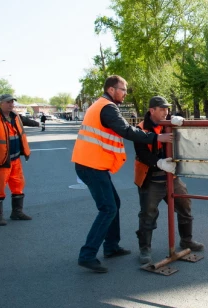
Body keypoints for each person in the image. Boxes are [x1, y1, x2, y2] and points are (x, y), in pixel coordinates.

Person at [71, 75, 173, 273]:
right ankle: (87, 255)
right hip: (91, 165)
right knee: (108, 208)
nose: (125, 93)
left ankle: (111, 247)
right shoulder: (107, 107)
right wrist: (156, 137)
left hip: (93, 164)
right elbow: (126, 130)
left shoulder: (102, 105)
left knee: (113, 204)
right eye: (123, 89)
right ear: (111, 89)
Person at [133, 96, 203, 265]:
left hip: (171, 176)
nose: (166, 112)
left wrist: (182, 124)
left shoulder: (171, 124)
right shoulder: (141, 129)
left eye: (167, 109)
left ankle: (186, 240)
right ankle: (145, 249)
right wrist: (158, 162)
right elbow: (142, 154)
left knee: (185, 205)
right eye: (162, 109)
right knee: (148, 214)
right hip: (151, 178)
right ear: (152, 111)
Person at [0, 94, 40, 226]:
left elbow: (25, 120)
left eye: (12, 102)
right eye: (8, 102)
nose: (11, 104)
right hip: (0, 162)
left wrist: (37, 123)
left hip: (15, 160)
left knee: (18, 186)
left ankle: (17, 212)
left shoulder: (15, 116)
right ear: (1, 103)